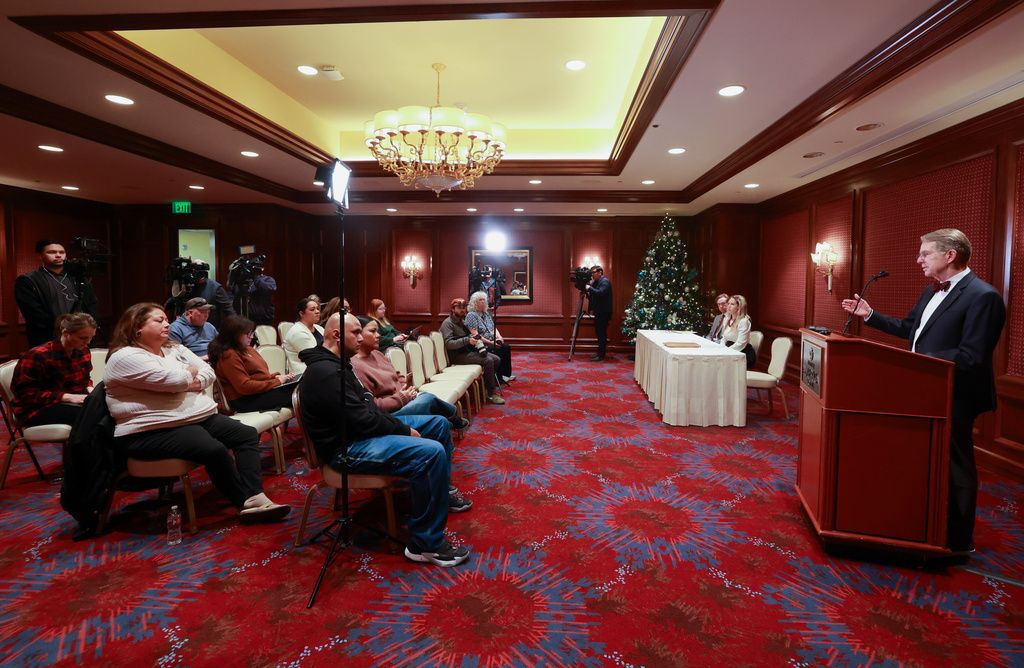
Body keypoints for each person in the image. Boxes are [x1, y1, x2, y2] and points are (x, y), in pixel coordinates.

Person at [842, 228, 1005, 555]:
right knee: (925, 462)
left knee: (957, 465)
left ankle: (958, 541)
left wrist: (917, 361)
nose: (919, 259)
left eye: (925, 253)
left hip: (954, 396)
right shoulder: (930, 292)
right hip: (922, 392)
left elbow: (971, 357)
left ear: (950, 255)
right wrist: (870, 315)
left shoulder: (983, 296)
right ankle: (925, 523)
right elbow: (909, 330)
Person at [299, 313, 472, 567]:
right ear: (336, 335)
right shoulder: (326, 372)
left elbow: (368, 406)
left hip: (361, 434)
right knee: (431, 452)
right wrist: (402, 430)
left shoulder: (339, 363)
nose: (361, 338)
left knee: (437, 424)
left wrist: (399, 426)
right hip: (345, 449)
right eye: (356, 333)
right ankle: (425, 544)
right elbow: (364, 419)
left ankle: (438, 497)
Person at [103, 302, 290, 524]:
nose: (167, 323)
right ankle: (244, 502)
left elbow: (208, 372)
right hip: (149, 430)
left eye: (166, 319)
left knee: (245, 434)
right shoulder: (124, 356)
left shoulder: (174, 348)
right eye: (159, 320)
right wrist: (188, 375)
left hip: (191, 419)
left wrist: (185, 381)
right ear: (137, 328)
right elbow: (176, 380)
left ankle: (255, 495)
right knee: (214, 449)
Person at [350, 315, 469, 429]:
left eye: (377, 331)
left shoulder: (376, 353)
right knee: (427, 399)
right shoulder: (355, 366)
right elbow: (373, 405)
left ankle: (449, 419)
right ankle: (451, 416)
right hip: (389, 413)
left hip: (403, 401)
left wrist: (406, 390)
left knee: (436, 417)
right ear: (358, 335)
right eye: (373, 331)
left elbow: (398, 375)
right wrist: (401, 397)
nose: (378, 335)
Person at [11, 312, 97, 426]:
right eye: (83, 338)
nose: (88, 342)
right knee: (90, 414)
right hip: (35, 408)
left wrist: (90, 388)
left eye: (91, 337)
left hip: (68, 401)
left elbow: (85, 378)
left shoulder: (83, 350)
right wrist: (67, 397)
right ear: (65, 333)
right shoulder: (38, 355)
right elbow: (26, 395)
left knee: (108, 408)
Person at [15, 239, 100, 348]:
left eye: (61, 252)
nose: (58, 255)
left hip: (81, 337)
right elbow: (33, 313)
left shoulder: (78, 279)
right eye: (52, 252)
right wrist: (63, 330)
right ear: (40, 256)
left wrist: (88, 328)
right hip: (47, 337)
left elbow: (91, 305)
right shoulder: (28, 280)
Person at [209, 315, 296, 412]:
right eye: (248, 333)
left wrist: (274, 377)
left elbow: (256, 376)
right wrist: (277, 382)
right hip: (245, 400)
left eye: (252, 333)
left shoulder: (247, 349)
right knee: (300, 395)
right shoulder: (229, 355)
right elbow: (244, 386)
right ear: (234, 334)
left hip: (257, 393)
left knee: (301, 387)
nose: (251, 336)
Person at [440, 298, 504, 405]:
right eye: (459, 308)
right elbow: (449, 344)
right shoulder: (448, 323)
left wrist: (473, 338)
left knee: (496, 359)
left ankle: (482, 388)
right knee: (488, 361)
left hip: (467, 352)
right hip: (457, 355)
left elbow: (467, 336)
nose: (462, 310)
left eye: (464, 308)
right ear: (452, 309)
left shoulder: (462, 322)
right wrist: (467, 340)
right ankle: (491, 393)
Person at [465, 290, 515, 383]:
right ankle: (498, 377)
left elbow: (493, 328)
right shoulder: (471, 315)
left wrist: (499, 337)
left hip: (491, 339)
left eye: (484, 299)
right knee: (497, 349)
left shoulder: (486, 313)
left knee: (506, 347)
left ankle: (506, 374)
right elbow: (476, 335)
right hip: (480, 344)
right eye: (480, 300)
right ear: (474, 302)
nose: (483, 301)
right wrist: (491, 342)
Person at [169, 260, 234, 328]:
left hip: (209, 329)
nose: (199, 274)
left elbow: (228, 309)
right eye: (196, 271)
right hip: (187, 328)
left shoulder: (215, 287)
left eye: (202, 271)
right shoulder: (186, 286)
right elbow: (173, 302)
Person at [283, 297, 323, 374]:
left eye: (318, 309)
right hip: (304, 374)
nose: (317, 311)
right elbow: (315, 357)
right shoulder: (297, 332)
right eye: (312, 309)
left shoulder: (319, 328)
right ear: (302, 313)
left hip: (318, 369)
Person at [230, 260, 276, 326]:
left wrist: (256, 277)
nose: (252, 269)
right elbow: (232, 293)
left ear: (262, 268)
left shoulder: (268, 280)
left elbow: (268, 290)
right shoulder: (242, 281)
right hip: (243, 319)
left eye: (255, 267)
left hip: (263, 320)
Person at [585, 265, 613, 361]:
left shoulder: (605, 282)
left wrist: (589, 288)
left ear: (600, 272)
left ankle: (601, 355)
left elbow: (600, 293)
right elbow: (592, 292)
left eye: (594, 272)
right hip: (599, 311)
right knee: (599, 333)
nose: (592, 275)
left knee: (601, 333)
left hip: (604, 312)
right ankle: (599, 352)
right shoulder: (595, 282)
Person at [722, 294, 756, 369]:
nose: (729, 306)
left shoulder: (744, 321)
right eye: (728, 304)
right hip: (729, 350)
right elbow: (724, 338)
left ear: (739, 307)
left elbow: (741, 343)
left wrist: (726, 352)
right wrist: (721, 348)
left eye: (732, 304)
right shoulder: (727, 319)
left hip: (742, 353)